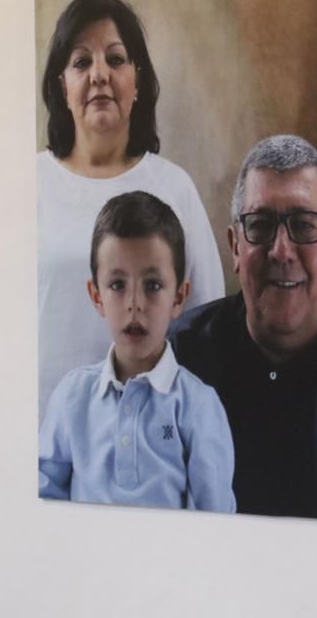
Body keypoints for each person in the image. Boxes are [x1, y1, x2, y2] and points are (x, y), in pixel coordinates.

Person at [38, 0, 224, 419]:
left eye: (116, 59)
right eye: (81, 62)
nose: (99, 74)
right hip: (41, 443)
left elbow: (204, 331)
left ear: (137, 81)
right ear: (61, 86)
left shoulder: (174, 188)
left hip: (149, 447)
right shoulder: (30, 185)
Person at [169, 135, 317, 520]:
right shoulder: (178, 358)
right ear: (235, 246)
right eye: (261, 225)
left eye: (303, 225)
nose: (281, 251)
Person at [39, 191, 235, 512]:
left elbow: (215, 524)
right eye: (117, 285)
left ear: (179, 297)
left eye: (153, 285)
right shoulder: (71, 398)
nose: (134, 304)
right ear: (96, 295)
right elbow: (42, 505)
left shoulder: (199, 406)